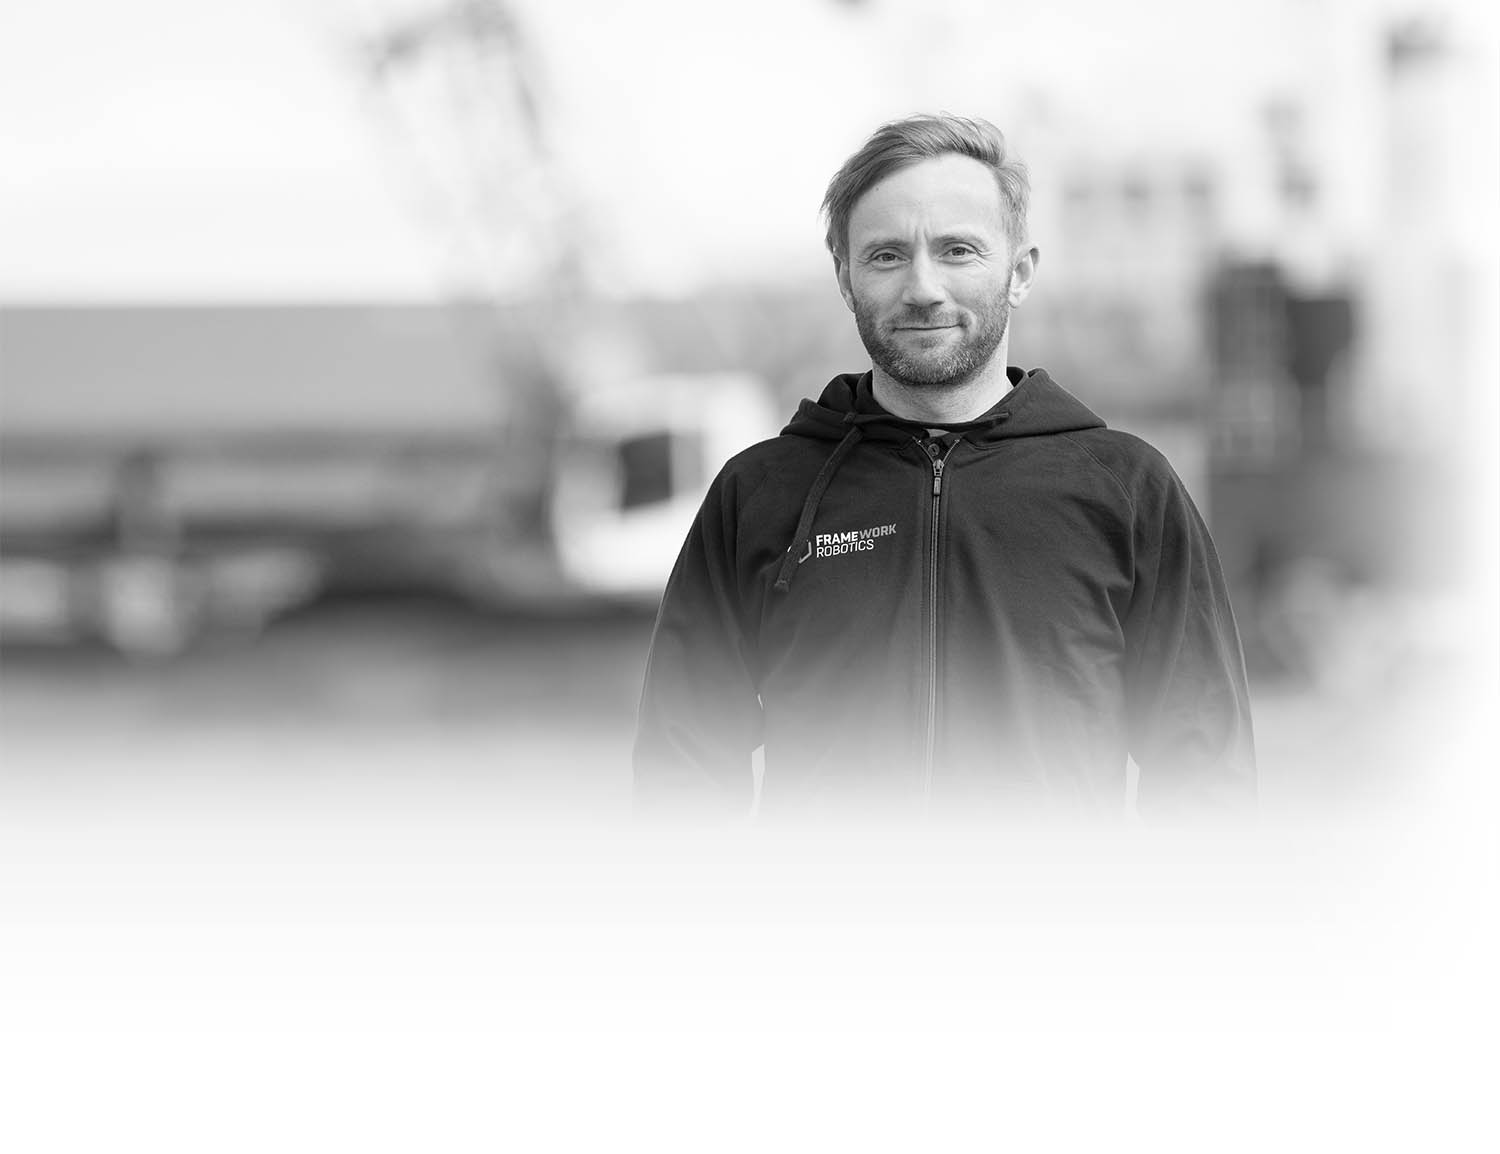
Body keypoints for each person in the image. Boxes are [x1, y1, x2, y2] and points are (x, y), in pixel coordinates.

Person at [633, 113, 1255, 822]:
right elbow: (681, 772)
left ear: (1019, 272)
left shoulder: (1128, 491)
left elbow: (1205, 778)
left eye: (958, 250)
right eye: (887, 255)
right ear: (845, 277)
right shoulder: (761, 495)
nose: (923, 288)